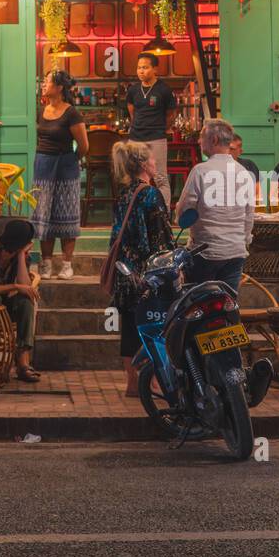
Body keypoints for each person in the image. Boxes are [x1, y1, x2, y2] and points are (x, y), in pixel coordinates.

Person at [109, 140, 173, 396]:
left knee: (129, 328)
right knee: (153, 326)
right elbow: (160, 237)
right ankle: (153, 382)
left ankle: (132, 382)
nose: (156, 163)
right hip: (147, 273)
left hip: (125, 270)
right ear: (144, 164)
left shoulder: (124, 193)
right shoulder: (150, 194)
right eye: (153, 160)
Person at [176, 117, 255, 298]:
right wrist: (243, 241)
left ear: (214, 140)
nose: (198, 140)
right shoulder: (243, 172)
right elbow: (249, 215)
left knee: (197, 307)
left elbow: (184, 212)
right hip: (235, 252)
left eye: (202, 136)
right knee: (228, 305)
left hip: (205, 253)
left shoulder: (200, 171)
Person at [32, 68, 88, 279]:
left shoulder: (72, 113)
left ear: (59, 87)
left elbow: (83, 146)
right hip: (43, 165)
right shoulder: (41, 110)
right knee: (43, 213)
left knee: (66, 214)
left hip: (66, 166)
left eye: (47, 82)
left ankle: (66, 264)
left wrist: (71, 159)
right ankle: (46, 263)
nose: (44, 85)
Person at [0, 217, 41, 382]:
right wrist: (15, 287)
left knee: (26, 302)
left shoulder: (23, 257)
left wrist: (20, 256)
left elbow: (26, 287)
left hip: (7, 307)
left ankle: (23, 363)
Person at [125, 54, 176, 208]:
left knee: (160, 177)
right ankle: (136, 211)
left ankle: (164, 213)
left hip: (157, 137)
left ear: (155, 69)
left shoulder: (164, 89)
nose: (141, 71)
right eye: (139, 67)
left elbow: (171, 114)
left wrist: (160, 128)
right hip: (135, 138)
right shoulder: (133, 90)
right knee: (133, 177)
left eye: (145, 67)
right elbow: (132, 113)